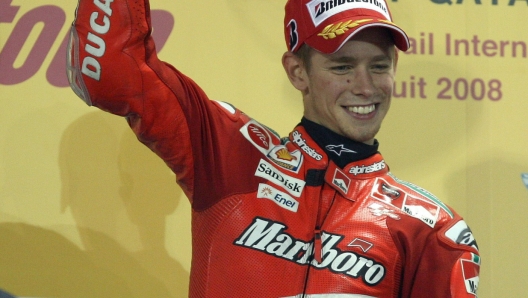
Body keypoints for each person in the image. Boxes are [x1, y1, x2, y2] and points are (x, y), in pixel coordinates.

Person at [66, 0, 480, 297]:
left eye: (379, 65)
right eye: (342, 66)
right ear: (297, 71)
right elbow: (111, 68)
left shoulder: (430, 230)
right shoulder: (229, 154)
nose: (366, 86)